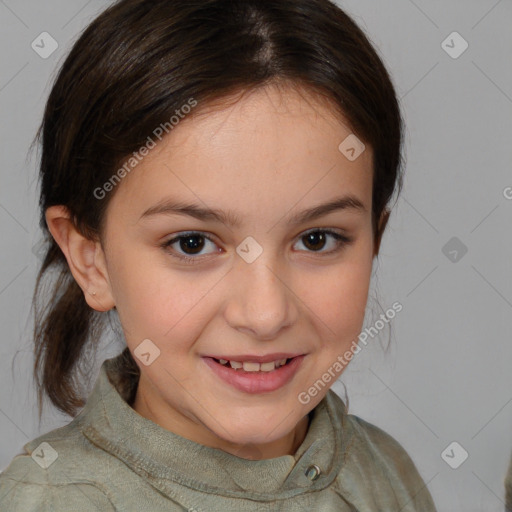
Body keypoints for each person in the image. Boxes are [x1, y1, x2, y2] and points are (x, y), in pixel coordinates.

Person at [0, 0, 437, 510]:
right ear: (90, 259)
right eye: (192, 243)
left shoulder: (385, 473)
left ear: (374, 239)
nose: (265, 313)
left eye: (317, 239)